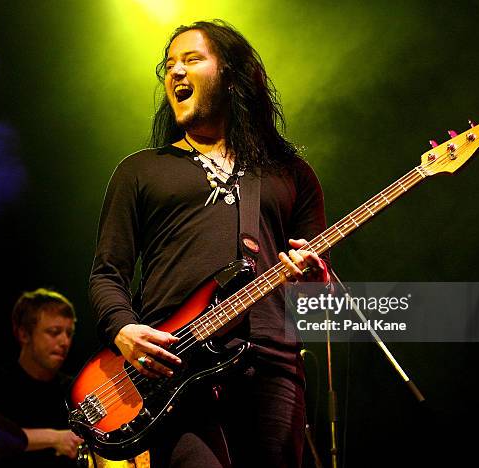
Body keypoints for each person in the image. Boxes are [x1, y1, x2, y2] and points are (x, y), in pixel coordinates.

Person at [89, 19, 331, 468]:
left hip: (271, 364)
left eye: (192, 59)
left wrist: (316, 280)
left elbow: (314, 300)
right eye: (169, 65)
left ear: (231, 74)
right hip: (174, 370)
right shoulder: (140, 171)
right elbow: (107, 273)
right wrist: (123, 330)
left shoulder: (291, 175)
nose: (175, 72)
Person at [0, 288, 84, 467]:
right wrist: (54, 438)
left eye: (69, 333)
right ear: (23, 334)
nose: (64, 341)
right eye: (54, 332)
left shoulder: (75, 390)